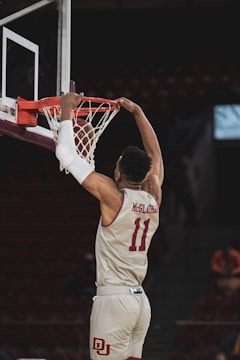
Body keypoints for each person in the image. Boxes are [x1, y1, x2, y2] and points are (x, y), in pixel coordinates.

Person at [55, 92, 164, 360]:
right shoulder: (153, 196)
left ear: (117, 173)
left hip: (114, 301)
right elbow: (156, 156)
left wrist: (66, 111)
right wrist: (138, 113)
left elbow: (65, 153)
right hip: (140, 303)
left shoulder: (113, 198)